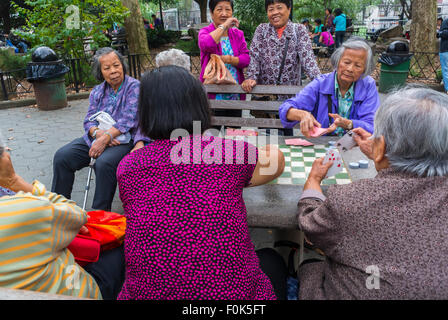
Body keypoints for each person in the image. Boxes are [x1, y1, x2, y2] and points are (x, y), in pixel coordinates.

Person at [116, 65, 288, 300]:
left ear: (145, 112)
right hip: (235, 297)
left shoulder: (128, 167)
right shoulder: (227, 154)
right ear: (199, 104)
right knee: (272, 260)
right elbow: (276, 160)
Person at [296, 86, 448, 299]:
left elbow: (311, 227)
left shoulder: (350, 199)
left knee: (306, 265)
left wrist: (313, 180)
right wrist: (380, 154)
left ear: (382, 144)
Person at [0, 149, 125, 299]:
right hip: (74, 290)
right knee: (126, 242)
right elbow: (79, 216)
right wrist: (14, 181)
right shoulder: (25, 209)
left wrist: (107, 134)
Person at [52, 47, 139, 212]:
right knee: (62, 157)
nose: (113, 71)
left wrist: (106, 137)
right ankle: (60, 209)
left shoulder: (134, 87)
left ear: (123, 66)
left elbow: (129, 119)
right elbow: (88, 120)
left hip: (123, 141)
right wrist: (97, 133)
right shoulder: (98, 91)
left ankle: (100, 214)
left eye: (116, 65)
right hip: (97, 138)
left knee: (104, 163)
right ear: (100, 72)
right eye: (107, 68)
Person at [279, 37, 379, 137]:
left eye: (358, 65)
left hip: (355, 146)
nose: (350, 69)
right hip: (322, 145)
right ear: (338, 61)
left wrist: (349, 124)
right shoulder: (321, 83)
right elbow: (285, 109)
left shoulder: (368, 85)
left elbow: (372, 126)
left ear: (364, 70)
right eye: (346, 62)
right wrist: (302, 115)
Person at [241, 0, 321, 94]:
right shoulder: (261, 30)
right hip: (265, 96)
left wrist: (322, 83)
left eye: (279, 8)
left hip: (291, 98)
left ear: (289, 9)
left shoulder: (299, 30)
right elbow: (254, 57)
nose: (275, 12)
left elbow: (308, 61)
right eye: (271, 9)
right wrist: (251, 78)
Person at [131, 49, 191, 153]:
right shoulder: (153, 90)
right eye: (161, 70)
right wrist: (139, 142)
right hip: (157, 141)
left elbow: (199, 124)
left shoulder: (192, 89)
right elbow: (144, 119)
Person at [198, 0, 250, 106]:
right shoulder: (205, 32)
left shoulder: (238, 34)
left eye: (227, 9)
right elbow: (207, 45)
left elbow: (246, 59)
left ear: (232, 12)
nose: (224, 14)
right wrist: (224, 25)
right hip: (212, 93)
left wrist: (228, 59)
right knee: (212, 122)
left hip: (234, 92)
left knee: (234, 122)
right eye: (219, 9)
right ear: (212, 13)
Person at [438, 18, 448, 94]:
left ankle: (447, 89)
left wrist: (438, 33)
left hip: (445, 49)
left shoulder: (446, 21)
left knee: (446, 70)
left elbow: (445, 33)